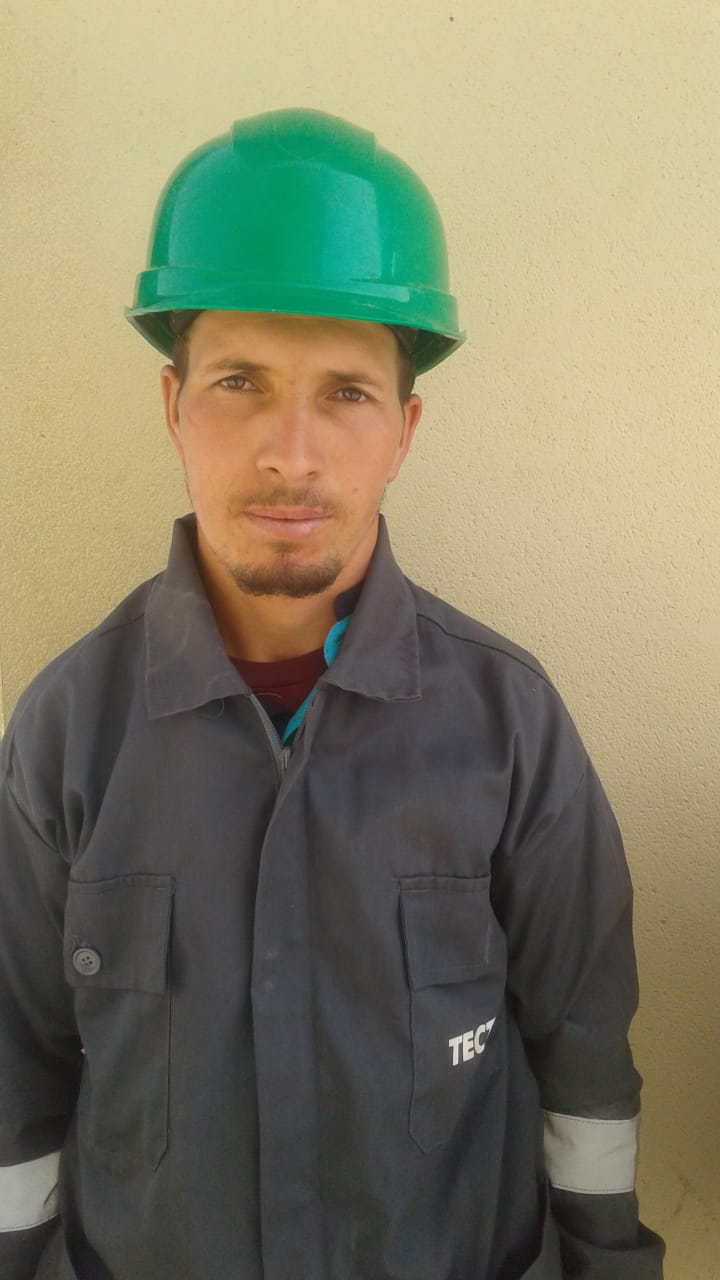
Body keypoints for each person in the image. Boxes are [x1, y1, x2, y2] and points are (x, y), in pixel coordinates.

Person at [0, 109, 664, 1280]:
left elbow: (587, 1057)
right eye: (239, 381)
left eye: (347, 393)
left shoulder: (510, 725)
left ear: (404, 430)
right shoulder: (64, 732)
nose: (290, 452)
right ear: (171, 407)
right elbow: (17, 1067)